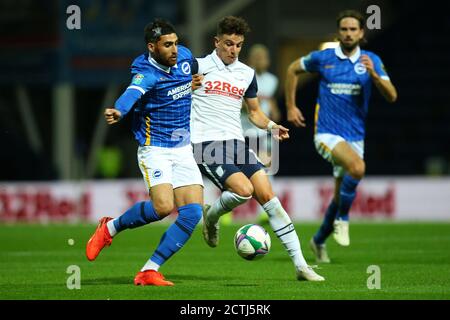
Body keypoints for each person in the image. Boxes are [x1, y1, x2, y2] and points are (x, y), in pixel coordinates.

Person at [191, 16, 324, 281]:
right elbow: (171, 90)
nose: (233, 50)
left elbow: (254, 113)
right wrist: (184, 87)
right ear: (216, 42)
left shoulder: (246, 74)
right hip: (204, 143)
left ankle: (301, 266)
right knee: (243, 190)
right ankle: (213, 217)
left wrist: (272, 125)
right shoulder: (197, 65)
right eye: (228, 44)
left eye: (238, 45)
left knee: (269, 197)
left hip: (237, 143)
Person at [85, 19, 204, 286]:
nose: (175, 49)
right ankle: (110, 228)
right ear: (152, 47)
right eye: (167, 45)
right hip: (156, 148)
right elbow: (131, 92)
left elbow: (197, 70)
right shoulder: (146, 72)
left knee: (192, 214)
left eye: (176, 42)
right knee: (163, 207)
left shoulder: (184, 57)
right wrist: (119, 110)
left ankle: (149, 270)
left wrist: (199, 81)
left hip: (183, 147)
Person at [285, 10, 398, 263]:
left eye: (353, 29)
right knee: (357, 168)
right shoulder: (324, 58)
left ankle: (318, 240)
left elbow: (392, 96)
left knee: (339, 196)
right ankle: (343, 220)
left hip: (355, 136)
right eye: (344, 29)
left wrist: (375, 76)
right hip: (326, 133)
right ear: (339, 33)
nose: (348, 33)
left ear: (361, 33)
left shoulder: (371, 60)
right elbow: (292, 69)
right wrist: (291, 107)